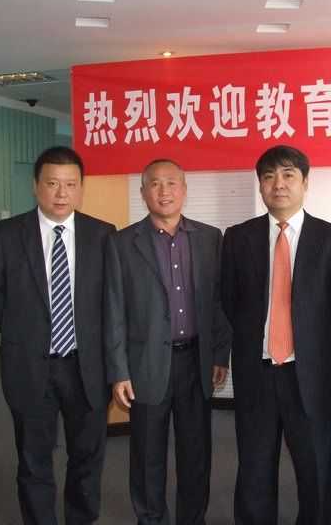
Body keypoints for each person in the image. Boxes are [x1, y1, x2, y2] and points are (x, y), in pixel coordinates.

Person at [0, 146, 115, 525]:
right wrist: (25, 334)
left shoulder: (102, 234)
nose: (61, 193)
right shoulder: (5, 234)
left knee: (87, 458)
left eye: (70, 184)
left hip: (87, 367)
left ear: (81, 188)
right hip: (29, 366)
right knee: (33, 460)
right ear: (35, 185)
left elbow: (112, 301)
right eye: (52, 183)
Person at [221, 145, 331, 525]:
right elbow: (230, 300)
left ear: (305, 182)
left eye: (288, 175)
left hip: (308, 372)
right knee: (254, 464)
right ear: (260, 185)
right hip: (256, 371)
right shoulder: (238, 238)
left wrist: (311, 346)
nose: (278, 184)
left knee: (314, 464)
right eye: (268, 177)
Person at [104, 158, 232, 524]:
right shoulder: (122, 243)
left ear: (184, 190)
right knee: (147, 454)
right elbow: (113, 310)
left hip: (196, 361)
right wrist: (118, 371)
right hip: (145, 364)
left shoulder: (210, 238)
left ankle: (193, 518)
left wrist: (219, 354)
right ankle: (150, 518)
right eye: (155, 184)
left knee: (196, 453)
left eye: (172, 183)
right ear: (143, 192)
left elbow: (219, 302)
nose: (164, 191)